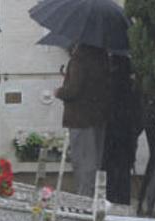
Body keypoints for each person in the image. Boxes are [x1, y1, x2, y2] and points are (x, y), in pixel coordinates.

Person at [56, 43, 111, 197]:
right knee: (95, 161)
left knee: (83, 162)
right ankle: (93, 196)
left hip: (80, 118)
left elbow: (73, 90)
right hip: (98, 117)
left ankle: (84, 199)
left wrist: (59, 91)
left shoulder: (79, 60)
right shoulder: (103, 58)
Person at [102, 55, 143, 205]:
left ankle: (110, 200)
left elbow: (103, 110)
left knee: (109, 170)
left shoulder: (108, 85)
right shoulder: (133, 87)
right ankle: (123, 201)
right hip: (127, 135)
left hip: (110, 134)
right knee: (124, 170)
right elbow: (139, 114)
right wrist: (135, 132)